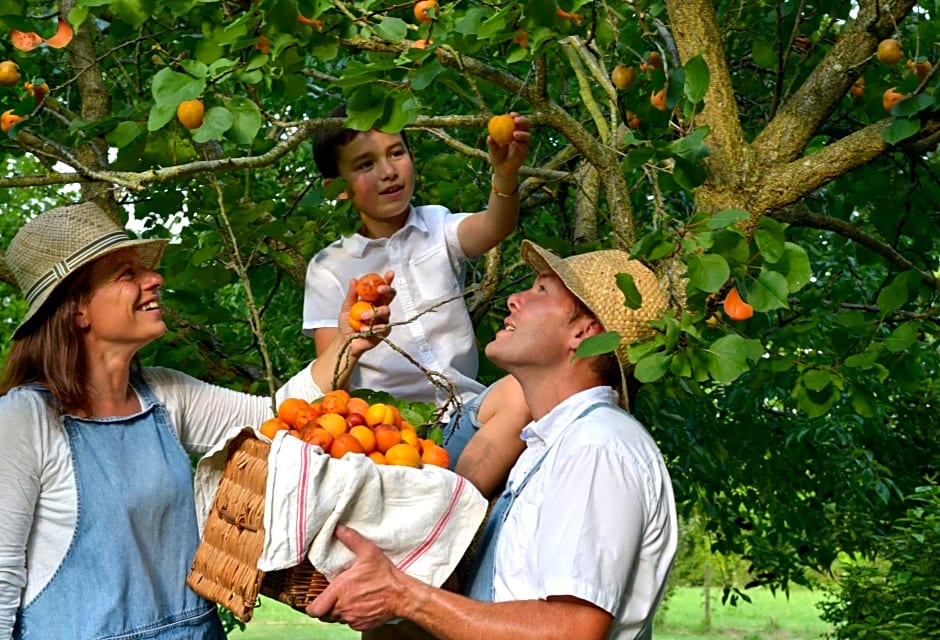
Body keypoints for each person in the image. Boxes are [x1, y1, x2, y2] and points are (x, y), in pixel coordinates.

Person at [0, 202, 390, 639]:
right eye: (127, 274)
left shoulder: (166, 395)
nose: (155, 279)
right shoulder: (24, 420)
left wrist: (347, 343)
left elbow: (280, 417)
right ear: (77, 310)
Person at [305, 240, 679, 640]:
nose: (515, 298)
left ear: (585, 333)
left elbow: (572, 630)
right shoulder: (550, 447)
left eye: (541, 290)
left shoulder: (597, 447)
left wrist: (405, 596)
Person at [302, 104, 532, 495]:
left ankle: (458, 503)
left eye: (396, 152)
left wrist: (504, 173)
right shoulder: (329, 268)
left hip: (466, 415)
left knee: (525, 391)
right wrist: (354, 339)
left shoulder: (436, 226)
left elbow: (495, 226)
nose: (389, 171)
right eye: (365, 165)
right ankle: (450, 506)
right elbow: (331, 380)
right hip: (391, 434)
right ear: (337, 187)